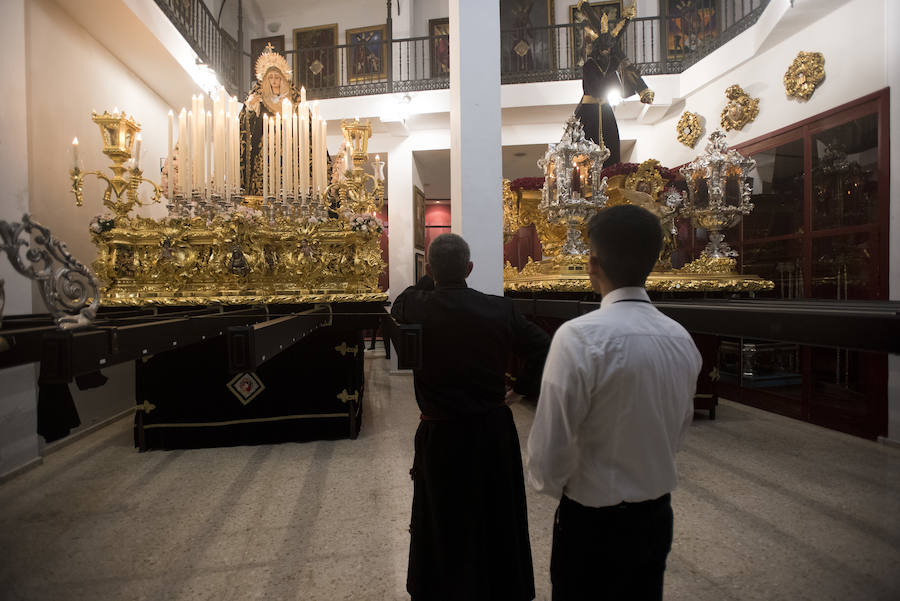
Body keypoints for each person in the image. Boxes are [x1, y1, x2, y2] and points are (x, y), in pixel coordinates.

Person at [525, 205, 702, 601]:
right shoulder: (680, 338)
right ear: (653, 261)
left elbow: (550, 445)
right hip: (656, 515)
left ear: (592, 263)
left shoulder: (578, 337)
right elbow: (677, 430)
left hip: (592, 520)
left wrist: (553, 486)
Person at [391, 233, 550, 601]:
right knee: (496, 511)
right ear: (471, 268)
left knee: (442, 514)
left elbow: (401, 300)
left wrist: (430, 279)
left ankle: (443, 588)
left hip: (440, 432)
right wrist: (522, 388)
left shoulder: (416, 306)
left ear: (429, 269)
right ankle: (500, 586)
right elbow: (542, 346)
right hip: (492, 428)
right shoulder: (500, 309)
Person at [573, 1, 654, 166]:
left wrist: (624, 75)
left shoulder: (611, 66)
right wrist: (615, 69)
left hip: (606, 112)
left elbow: (617, 89)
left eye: (609, 49)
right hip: (588, 113)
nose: (606, 51)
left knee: (611, 148)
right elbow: (595, 89)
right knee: (584, 150)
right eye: (603, 48)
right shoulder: (589, 65)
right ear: (597, 48)